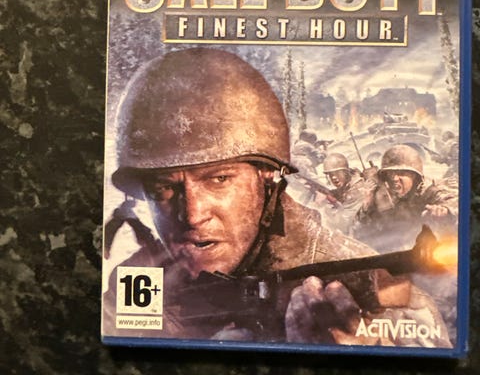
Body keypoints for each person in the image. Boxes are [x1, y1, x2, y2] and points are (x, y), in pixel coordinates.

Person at [103, 49, 451, 347]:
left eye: (219, 179)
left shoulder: (372, 286)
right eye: (164, 189)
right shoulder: (138, 282)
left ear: (266, 177)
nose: (193, 214)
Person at [355, 144, 458, 253]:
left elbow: (454, 202)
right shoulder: (388, 196)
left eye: (401, 173)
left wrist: (445, 211)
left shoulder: (431, 189)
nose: (394, 178)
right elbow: (361, 231)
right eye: (390, 174)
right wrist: (367, 204)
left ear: (415, 176)